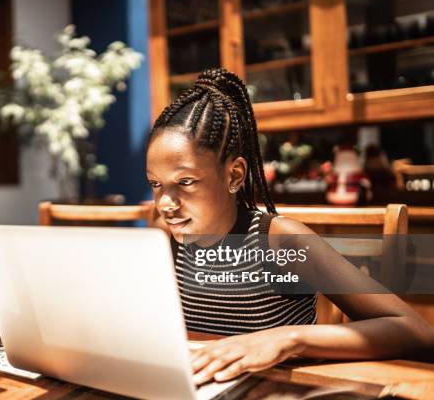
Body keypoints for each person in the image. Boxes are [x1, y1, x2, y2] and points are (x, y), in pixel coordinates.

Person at [145, 68, 434, 385]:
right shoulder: (163, 238)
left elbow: (414, 331)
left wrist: (288, 338)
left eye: (185, 182)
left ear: (234, 176)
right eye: (156, 184)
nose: (166, 203)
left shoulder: (280, 242)